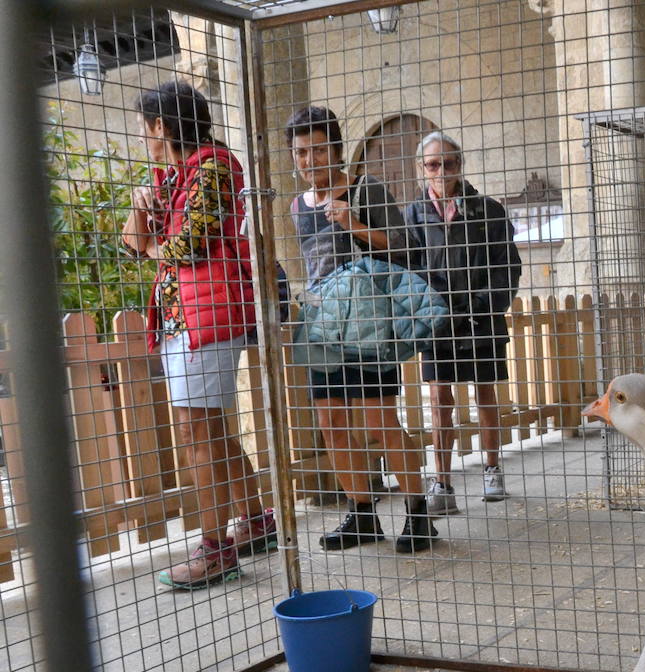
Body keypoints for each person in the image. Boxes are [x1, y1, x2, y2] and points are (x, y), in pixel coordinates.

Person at [120, 80, 276, 590]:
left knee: (195, 431)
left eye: (145, 129)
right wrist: (143, 207)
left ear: (162, 127)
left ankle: (215, 550)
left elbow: (186, 245)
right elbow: (130, 241)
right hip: (179, 317)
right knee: (206, 427)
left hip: (204, 315)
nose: (144, 139)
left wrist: (150, 242)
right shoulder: (174, 176)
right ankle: (254, 520)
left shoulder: (213, 167)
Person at [283, 105, 437, 553]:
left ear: (336, 149)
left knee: (378, 421)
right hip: (322, 327)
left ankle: (417, 514)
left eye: (316, 150)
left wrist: (353, 222)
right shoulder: (297, 206)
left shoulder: (365, 189)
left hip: (367, 325)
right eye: (300, 153)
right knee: (330, 420)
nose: (309, 161)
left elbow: (404, 246)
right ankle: (362, 514)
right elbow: (314, 267)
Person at [402, 132, 522, 513]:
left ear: (460, 165)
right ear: (421, 169)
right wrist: (431, 309)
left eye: (448, 164)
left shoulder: (488, 210)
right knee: (439, 401)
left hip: (480, 318)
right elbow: (408, 269)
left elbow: (507, 267)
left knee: (485, 394)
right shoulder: (412, 214)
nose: (440, 172)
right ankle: (442, 483)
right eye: (432, 165)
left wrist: (484, 305)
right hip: (437, 323)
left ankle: (492, 469)